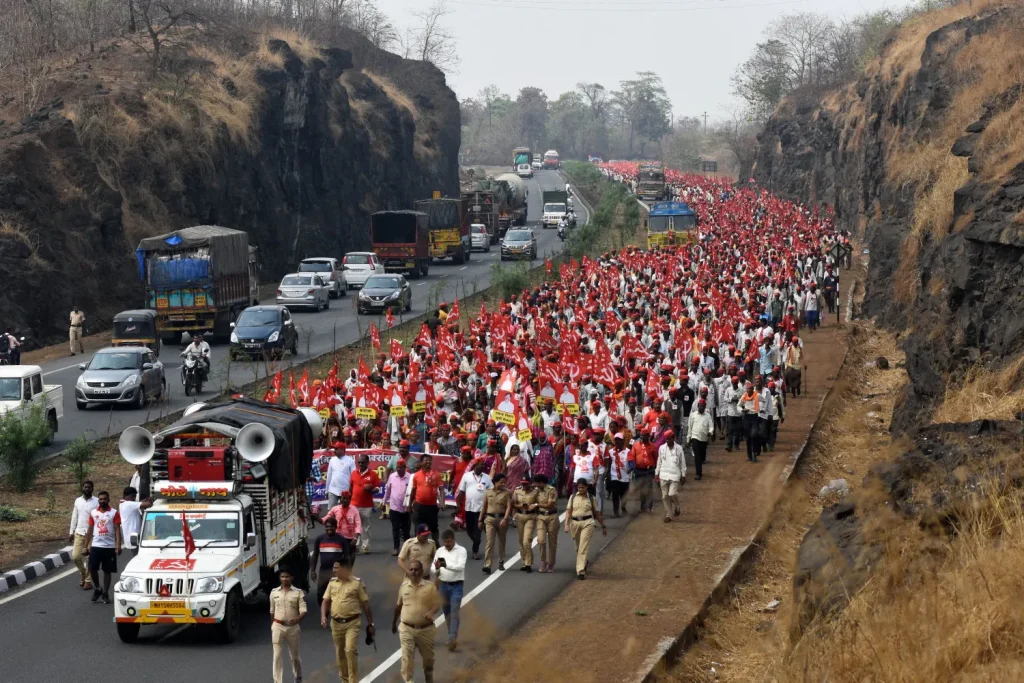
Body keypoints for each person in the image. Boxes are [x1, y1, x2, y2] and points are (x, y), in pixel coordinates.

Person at [321, 559, 374, 683]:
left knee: (350, 650)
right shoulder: (332, 583)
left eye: (337, 568)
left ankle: (353, 680)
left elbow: (366, 605)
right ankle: (344, 680)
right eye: (334, 568)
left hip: (352, 622)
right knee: (340, 654)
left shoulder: (357, 583)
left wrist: (371, 624)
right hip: (336, 623)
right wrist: (323, 616)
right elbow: (325, 601)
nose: (334, 570)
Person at [392, 560, 442, 683]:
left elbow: (436, 604)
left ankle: (429, 678)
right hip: (406, 628)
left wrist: (431, 613)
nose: (413, 572)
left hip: (426, 630)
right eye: (411, 569)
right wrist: (394, 622)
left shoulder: (430, 587)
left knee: (428, 660)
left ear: (421, 572)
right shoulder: (403, 587)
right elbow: (398, 606)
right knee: (407, 659)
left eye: (416, 569)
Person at [269, 567, 306, 683]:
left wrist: (297, 619)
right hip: (277, 626)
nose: (284, 579)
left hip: (292, 628)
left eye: (287, 577)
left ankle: (298, 676)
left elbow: (303, 610)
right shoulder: (274, 592)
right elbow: (272, 611)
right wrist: (273, 625)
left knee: (294, 656)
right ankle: (277, 681)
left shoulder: (298, 593)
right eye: (282, 577)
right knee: (277, 656)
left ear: (292, 578)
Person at [564, 478, 607, 580]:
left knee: (583, 547)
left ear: (587, 487)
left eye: (583, 487)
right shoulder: (573, 497)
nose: (581, 489)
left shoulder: (592, 498)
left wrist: (603, 526)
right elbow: (569, 511)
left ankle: (580, 571)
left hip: (588, 523)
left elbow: (597, 513)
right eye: (579, 487)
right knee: (578, 547)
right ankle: (584, 561)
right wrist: (566, 524)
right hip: (574, 523)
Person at [84, 490, 122, 603]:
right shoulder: (93, 513)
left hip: (109, 546)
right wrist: (85, 546)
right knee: (92, 568)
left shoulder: (114, 513)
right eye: (100, 499)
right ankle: (97, 589)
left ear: (108, 500)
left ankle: (105, 593)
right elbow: (90, 529)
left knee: (107, 571)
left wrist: (118, 545)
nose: (102, 501)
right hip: (96, 546)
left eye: (104, 499)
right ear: (98, 501)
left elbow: (117, 529)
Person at [433, 529, 467, 651]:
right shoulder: (439, 551)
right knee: (447, 612)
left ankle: (452, 638)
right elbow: (433, 568)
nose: (446, 544)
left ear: (453, 539)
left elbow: (460, 567)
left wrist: (445, 565)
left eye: (448, 541)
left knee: (454, 611)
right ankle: (451, 636)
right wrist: (437, 568)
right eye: (445, 542)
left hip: (457, 586)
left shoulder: (461, 551)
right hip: (443, 585)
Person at [455, 458, 492, 560]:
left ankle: (475, 550)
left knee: (478, 530)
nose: (482, 467)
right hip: (469, 508)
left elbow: (491, 491)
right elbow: (461, 491)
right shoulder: (467, 476)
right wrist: (458, 505)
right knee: (469, 529)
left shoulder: (486, 477)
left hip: (481, 510)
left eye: (483, 465)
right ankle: (475, 539)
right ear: (475, 465)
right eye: (480, 465)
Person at [68, 480, 98, 590]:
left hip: (92, 534)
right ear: (82, 488)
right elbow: (74, 516)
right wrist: (71, 532)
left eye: (89, 487)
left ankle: (88, 581)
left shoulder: (96, 501)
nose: (87, 489)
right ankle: (83, 573)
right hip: (79, 532)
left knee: (90, 558)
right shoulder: (78, 501)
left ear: (92, 488)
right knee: (75, 557)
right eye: (85, 487)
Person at [311, 517, 349, 602]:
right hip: (323, 571)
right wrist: (313, 571)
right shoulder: (319, 539)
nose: (329, 528)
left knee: (338, 592)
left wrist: (346, 572)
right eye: (327, 526)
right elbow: (315, 555)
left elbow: (346, 557)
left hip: (337, 572)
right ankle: (324, 611)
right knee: (320, 594)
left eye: (331, 526)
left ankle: (335, 611)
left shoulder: (342, 540)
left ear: (336, 527)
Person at [480, 473, 511, 574]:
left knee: (502, 541)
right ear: (495, 482)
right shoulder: (488, 492)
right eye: (501, 482)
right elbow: (484, 507)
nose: (503, 484)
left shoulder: (506, 493)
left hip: (502, 519)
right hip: (490, 519)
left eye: (504, 482)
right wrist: (480, 520)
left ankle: (501, 562)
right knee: (489, 542)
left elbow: (508, 507)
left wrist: (505, 519)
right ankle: (487, 565)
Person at [322, 491, 362, 567]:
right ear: (340, 499)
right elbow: (327, 518)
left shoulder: (354, 510)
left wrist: (355, 538)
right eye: (343, 498)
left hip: (350, 540)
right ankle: (337, 576)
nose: (345, 500)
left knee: (349, 561)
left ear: (350, 499)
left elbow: (358, 524)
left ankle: (348, 575)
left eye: (347, 499)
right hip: (338, 538)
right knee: (337, 561)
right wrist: (318, 519)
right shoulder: (335, 509)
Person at [350, 454, 380, 554]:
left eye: (362, 462)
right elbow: (350, 487)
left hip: (366, 505)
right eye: (359, 462)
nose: (360, 464)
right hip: (354, 504)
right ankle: (355, 546)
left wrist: (372, 489)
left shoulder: (373, 474)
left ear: (368, 462)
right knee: (354, 526)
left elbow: (378, 488)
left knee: (365, 527)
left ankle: (365, 546)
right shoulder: (354, 473)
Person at [655, 431, 686, 523]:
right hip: (663, 474)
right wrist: (657, 473)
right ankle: (668, 515)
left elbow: (682, 462)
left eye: (669, 439)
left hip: (675, 475)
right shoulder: (662, 448)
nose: (667, 441)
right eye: (666, 439)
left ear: (674, 438)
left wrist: (683, 475)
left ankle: (677, 506)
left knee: (671, 494)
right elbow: (659, 461)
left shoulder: (679, 449)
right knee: (665, 496)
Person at [410, 454, 442, 543]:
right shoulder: (416, 475)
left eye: (429, 460)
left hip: (432, 506)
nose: (428, 462)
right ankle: (418, 543)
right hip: (419, 506)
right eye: (426, 460)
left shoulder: (436, 474)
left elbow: (441, 489)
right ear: (421, 462)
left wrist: (442, 502)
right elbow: (413, 491)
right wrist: (409, 505)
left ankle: (436, 542)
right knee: (418, 526)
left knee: (433, 527)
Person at [384, 459, 413, 556]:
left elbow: (413, 492)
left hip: (406, 508)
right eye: (398, 467)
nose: (399, 469)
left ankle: (407, 548)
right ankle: (396, 547)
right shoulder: (392, 476)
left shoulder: (410, 477)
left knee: (406, 529)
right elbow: (388, 490)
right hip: (394, 507)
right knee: (395, 528)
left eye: (401, 467)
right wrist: (384, 502)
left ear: (405, 468)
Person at [512, 475, 538, 572]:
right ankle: (524, 562)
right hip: (520, 516)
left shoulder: (535, 492)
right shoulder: (517, 491)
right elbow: (513, 503)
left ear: (530, 484)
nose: (524, 486)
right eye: (523, 484)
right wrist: (520, 505)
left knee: (526, 541)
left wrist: (534, 506)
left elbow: (538, 503)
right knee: (521, 541)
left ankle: (528, 563)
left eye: (526, 484)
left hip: (530, 517)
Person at [533, 473, 559, 573]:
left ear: (541, 482)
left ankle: (551, 564)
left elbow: (549, 504)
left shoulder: (551, 490)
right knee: (541, 540)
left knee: (552, 542)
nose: (535, 484)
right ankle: (543, 561)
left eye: (536, 483)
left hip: (552, 516)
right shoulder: (536, 491)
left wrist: (536, 504)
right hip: (541, 517)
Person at [629, 428, 658, 513]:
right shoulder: (636, 445)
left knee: (648, 488)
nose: (642, 437)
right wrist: (632, 466)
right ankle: (643, 507)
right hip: (638, 470)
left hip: (649, 470)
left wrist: (654, 468)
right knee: (642, 489)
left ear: (648, 436)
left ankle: (649, 507)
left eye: (644, 435)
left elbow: (655, 458)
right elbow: (631, 456)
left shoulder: (652, 446)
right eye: (641, 435)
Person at [118, 486, 150, 555]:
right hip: (134, 538)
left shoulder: (124, 504)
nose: (134, 499)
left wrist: (143, 500)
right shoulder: (129, 504)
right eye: (133, 496)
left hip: (132, 537)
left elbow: (137, 503)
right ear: (128, 496)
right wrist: (150, 499)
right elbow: (148, 504)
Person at [687, 399, 714, 480]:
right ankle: (698, 473)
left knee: (701, 456)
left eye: (703, 406)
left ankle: (701, 463)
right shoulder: (693, 415)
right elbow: (690, 427)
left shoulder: (708, 416)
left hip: (704, 439)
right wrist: (688, 439)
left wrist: (710, 432)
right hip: (695, 437)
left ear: (705, 407)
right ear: (697, 406)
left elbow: (711, 426)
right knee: (697, 456)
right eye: (700, 406)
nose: (701, 408)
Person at [606, 433, 631, 517]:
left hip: (625, 477)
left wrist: (631, 468)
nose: (617, 442)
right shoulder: (611, 451)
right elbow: (609, 463)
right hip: (614, 477)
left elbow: (631, 462)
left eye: (619, 440)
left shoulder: (628, 451)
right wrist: (608, 474)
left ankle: (623, 507)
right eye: (616, 440)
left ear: (623, 441)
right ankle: (615, 511)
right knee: (615, 494)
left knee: (624, 495)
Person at [325, 444, 356, 510]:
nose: (335, 451)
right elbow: (329, 476)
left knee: (346, 510)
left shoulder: (350, 460)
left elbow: (354, 476)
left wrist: (353, 490)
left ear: (342, 450)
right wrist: (327, 490)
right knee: (331, 510)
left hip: (346, 490)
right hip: (333, 490)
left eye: (336, 449)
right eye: (334, 449)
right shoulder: (332, 460)